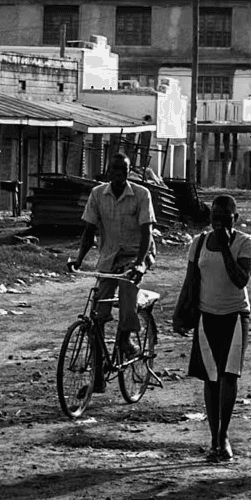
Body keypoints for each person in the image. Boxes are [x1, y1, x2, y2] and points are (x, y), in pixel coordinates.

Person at [68, 151, 156, 357]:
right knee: (98, 312)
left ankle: (126, 340)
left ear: (128, 171)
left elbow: (147, 233)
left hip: (136, 254)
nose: (119, 174)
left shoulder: (141, 194)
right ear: (108, 171)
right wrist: (78, 259)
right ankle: (98, 369)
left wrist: (141, 264)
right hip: (109, 257)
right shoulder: (97, 194)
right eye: (114, 169)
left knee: (127, 289)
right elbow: (89, 230)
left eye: (123, 170)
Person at [187, 195, 251, 462]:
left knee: (229, 376)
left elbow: (241, 280)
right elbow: (191, 279)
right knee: (210, 378)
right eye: (215, 217)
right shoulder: (199, 242)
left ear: (234, 219)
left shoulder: (244, 242)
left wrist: (226, 248)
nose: (219, 222)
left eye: (225, 218)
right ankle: (214, 435)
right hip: (206, 316)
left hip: (235, 316)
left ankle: (223, 437)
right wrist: (183, 312)